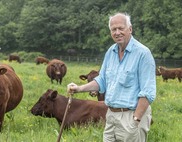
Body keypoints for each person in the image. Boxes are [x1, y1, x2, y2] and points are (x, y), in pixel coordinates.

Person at [67, 12, 156, 142]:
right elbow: (102, 80)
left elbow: (148, 92)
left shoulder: (143, 54)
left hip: (131, 116)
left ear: (130, 29)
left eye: (121, 28)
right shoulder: (111, 52)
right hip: (111, 116)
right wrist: (79, 88)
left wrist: (135, 120)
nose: (117, 32)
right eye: (114, 29)